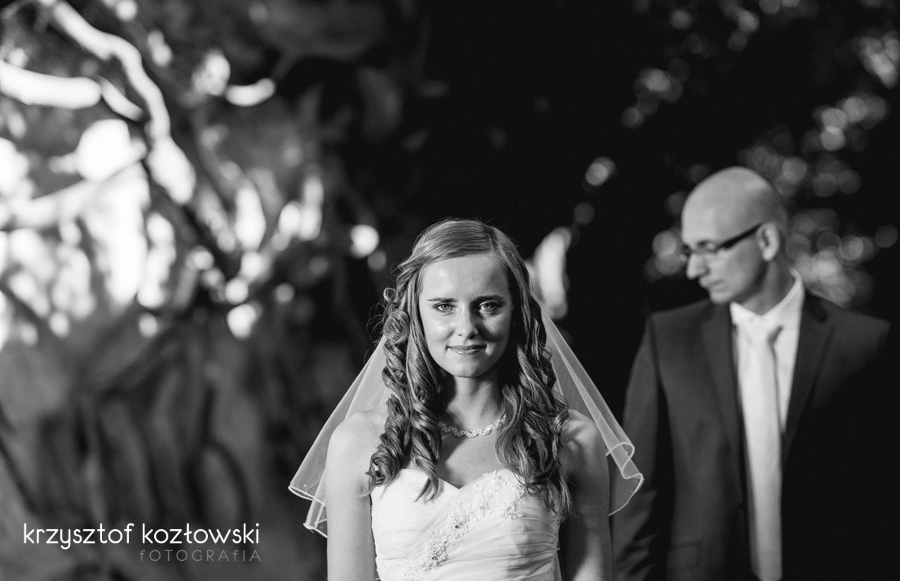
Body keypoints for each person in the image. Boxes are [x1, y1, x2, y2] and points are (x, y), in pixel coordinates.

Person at [290, 218, 642, 581]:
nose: (466, 328)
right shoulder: (358, 441)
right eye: (444, 306)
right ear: (416, 314)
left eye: (488, 305)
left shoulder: (572, 440)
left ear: (517, 312)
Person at [612, 167, 899, 581]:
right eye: (691, 252)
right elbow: (641, 496)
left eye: (710, 248)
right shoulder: (669, 339)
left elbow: (883, 499)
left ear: (766, 241)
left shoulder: (865, 345)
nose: (694, 270)